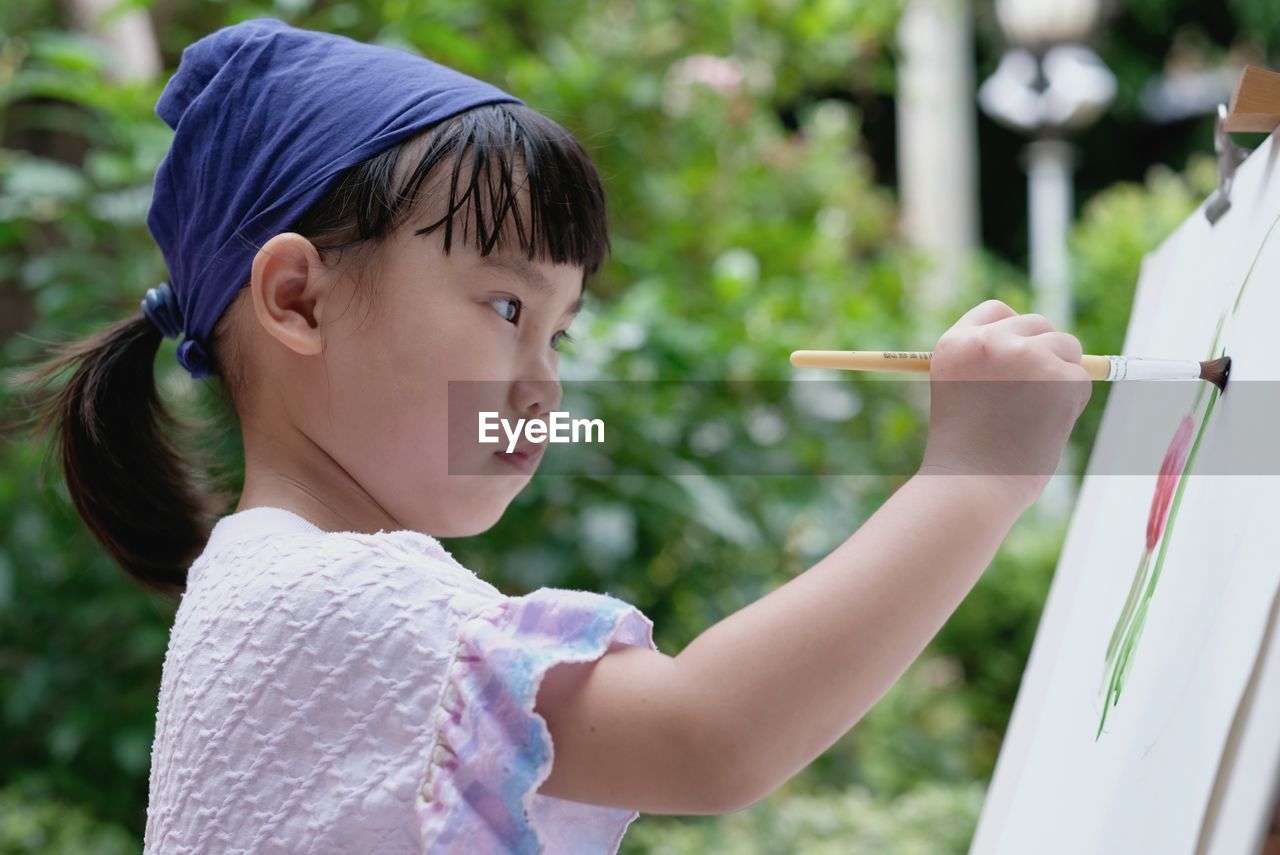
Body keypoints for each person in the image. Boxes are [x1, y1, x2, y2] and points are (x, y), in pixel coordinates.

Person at [8, 16, 1092, 855]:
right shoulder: (324, 599)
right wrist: (972, 474)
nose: (542, 380)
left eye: (560, 328)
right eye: (506, 306)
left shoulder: (279, 587)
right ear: (297, 298)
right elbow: (704, 736)